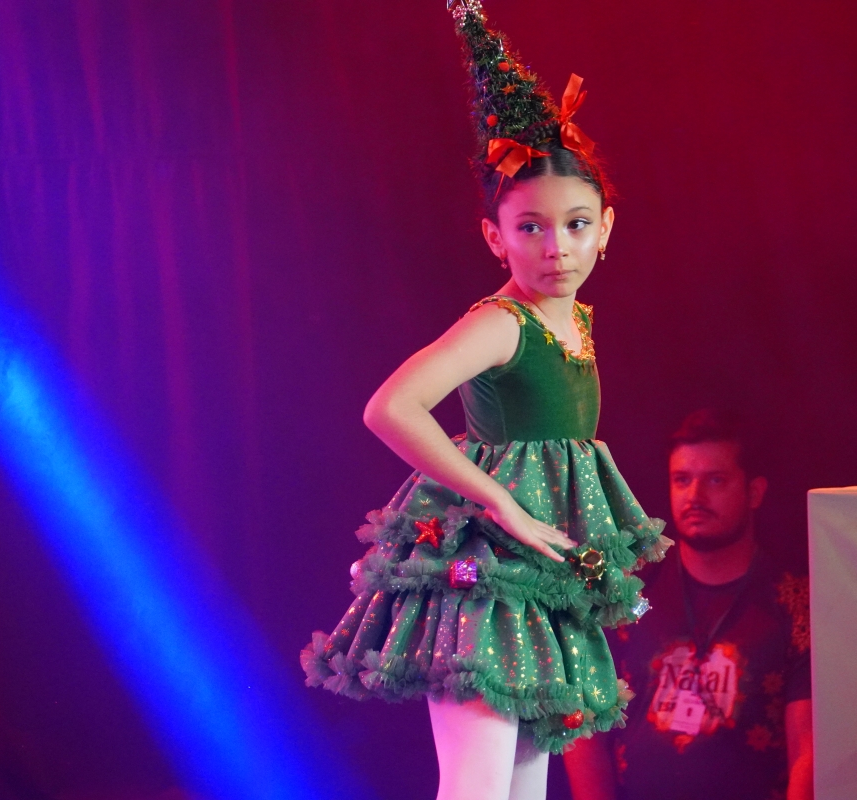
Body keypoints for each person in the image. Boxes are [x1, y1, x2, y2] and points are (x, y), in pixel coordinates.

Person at [301, 3, 669, 799]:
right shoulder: (501, 324)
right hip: (485, 573)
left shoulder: (574, 319)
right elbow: (392, 406)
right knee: (477, 785)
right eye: (530, 228)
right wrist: (500, 500)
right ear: (494, 236)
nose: (556, 246)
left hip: (537, 576)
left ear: (605, 228)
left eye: (575, 225)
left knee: (524, 784)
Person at [564, 408, 813, 800]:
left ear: (754, 492)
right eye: (682, 480)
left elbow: (808, 751)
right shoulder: (628, 592)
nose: (695, 497)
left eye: (716, 480)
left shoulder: (795, 602)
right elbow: (584, 725)